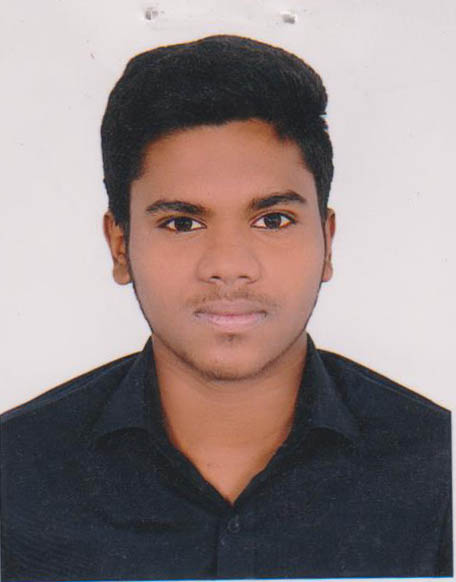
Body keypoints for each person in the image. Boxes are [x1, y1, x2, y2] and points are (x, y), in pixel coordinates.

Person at [0, 35, 451, 580]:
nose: (229, 266)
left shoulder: (438, 470)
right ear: (120, 247)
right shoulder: (14, 473)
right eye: (182, 223)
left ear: (327, 242)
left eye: (273, 220)